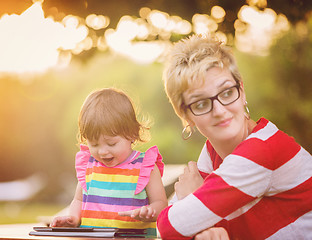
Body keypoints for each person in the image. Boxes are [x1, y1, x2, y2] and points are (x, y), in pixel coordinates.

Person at [156, 35, 312, 239]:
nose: (220, 111)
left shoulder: (261, 150)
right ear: (185, 116)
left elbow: (170, 226)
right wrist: (208, 228)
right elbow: (176, 223)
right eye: (201, 104)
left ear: (242, 90)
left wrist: (194, 197)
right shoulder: (214, 149)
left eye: (227, 92)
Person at [51, 88, 167, 237]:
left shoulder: (145, 167)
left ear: (132, 134)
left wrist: (150, 211)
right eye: (94, 144)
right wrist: (73, 218)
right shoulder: (89, 166)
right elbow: (78, 200)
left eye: (111, 144)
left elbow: (161, 204)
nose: (102, 152)